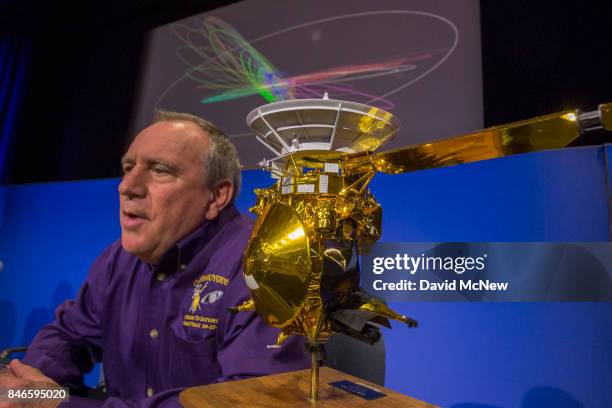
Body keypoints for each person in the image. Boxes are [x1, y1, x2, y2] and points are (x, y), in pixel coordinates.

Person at [0, 111, 309, 407]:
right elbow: (68, 335)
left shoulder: (263, 267)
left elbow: (248, 401)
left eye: (160, 170)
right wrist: (27, 390)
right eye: (127, 168)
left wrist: (57, 404)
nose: (127, 187)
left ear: (216, 196)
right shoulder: (118, 259)